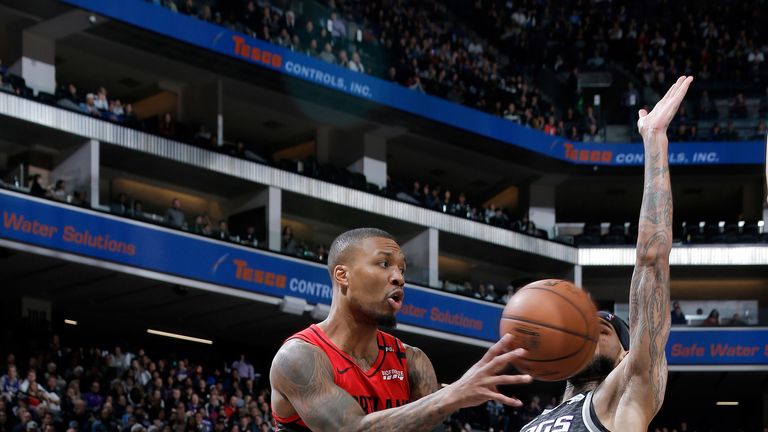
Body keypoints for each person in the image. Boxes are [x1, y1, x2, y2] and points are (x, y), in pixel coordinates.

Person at [520, 76, 693, 431]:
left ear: (626, 354)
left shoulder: (627, 392)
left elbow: (652, 259)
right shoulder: (530, 424)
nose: (586, 334)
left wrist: (655, 140)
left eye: (600, 331)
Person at [270, 228, 533, 431]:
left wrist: (451, 396)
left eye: (402, 269)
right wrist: (452, 395)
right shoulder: (298, 357)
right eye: (384, 264)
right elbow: (348, 428)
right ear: (343, 275)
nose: (399, 277)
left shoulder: (412, 361)